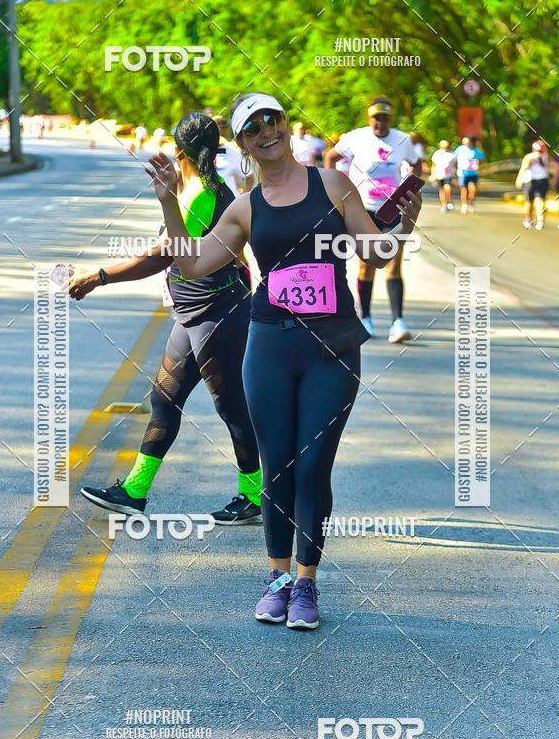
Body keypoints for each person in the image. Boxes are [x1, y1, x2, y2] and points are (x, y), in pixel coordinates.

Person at [145, 92, 422, 629]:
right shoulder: (246, 206)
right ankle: (276, 578)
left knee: (314, 465)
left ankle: (306, 583)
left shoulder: (333, 185)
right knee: (278, 466)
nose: (266, 131)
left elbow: (374, 252)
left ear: (286, 126)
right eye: (252, 128)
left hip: (331, 348)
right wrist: (168, 203)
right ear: (244, 143)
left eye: (272, 120)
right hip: (269, 344)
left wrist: (404, 230)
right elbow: (196, 263)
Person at [69, 113, 262, 524]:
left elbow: (163, 254)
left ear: (180, 153)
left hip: (218, 313)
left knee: (231, 407)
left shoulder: (203, 196)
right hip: (192, 313)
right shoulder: (193, 188)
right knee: (164, 398)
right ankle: (134, 492)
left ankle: (255, 495)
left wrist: (99, 276)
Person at [324, 96, 421, 344]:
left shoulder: (401, 140)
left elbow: (416, 163)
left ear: (391, 119)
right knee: (367, 265)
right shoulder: (356, 137)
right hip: (363, 209)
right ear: (370, 118)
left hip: (392, 208)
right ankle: (365, 317)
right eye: (376, 117)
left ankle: (397, 322)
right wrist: (332, 187)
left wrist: (411, 187)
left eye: (385, 117)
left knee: (394, 264)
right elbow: (331, 156)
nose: (380, 122)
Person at [516, 140, 550, 230]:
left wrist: (519, 179)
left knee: (535, 201)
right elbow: (524, 167)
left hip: (537, 181)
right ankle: (533, 220)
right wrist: (519, 179)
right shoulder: (532, 156)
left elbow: (523, 168)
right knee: (533, 201)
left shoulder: (544, 156)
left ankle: (536, 220)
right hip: (532, 181)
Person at [453, 136, 485, 214]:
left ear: (471, 142)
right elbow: (454, 160)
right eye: (464, 141)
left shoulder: (476, 150)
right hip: (462, 173)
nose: (465, 143)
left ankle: (471, 202)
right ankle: (464, 204)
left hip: (473, 173)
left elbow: (481, 160)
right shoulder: (460, 149)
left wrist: (478, 167)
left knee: (473, 188)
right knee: (464, 189)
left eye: (467, 142)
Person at [431, 140, 456, 211]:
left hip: (448, 175)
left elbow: (454, 166)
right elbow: (434, 165)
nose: (444, 148)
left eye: (446, 147)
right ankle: (444, 204)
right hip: (439, 175)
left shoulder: (452, 155)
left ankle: (449, 201)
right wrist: (433, 174)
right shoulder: (437, 154)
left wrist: (455, 176)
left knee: (447, 188)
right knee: (441, 190)